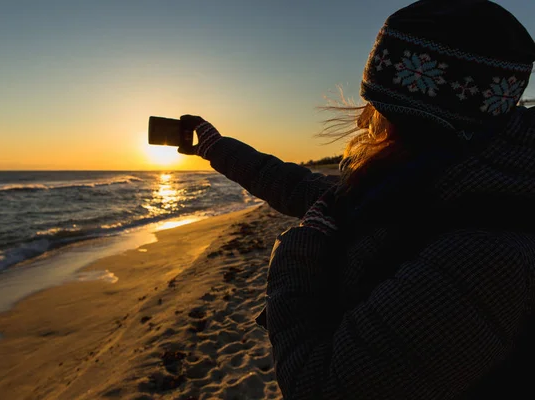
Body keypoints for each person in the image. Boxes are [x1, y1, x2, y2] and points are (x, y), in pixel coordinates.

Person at [178, 0, 535, 398]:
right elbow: (309, 191)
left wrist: (300, 247)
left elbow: (321, 386)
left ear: (422, 117)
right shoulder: (441, 177)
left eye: (377, 108)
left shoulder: (486, 251)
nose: (365, 120)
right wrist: (217, 147)